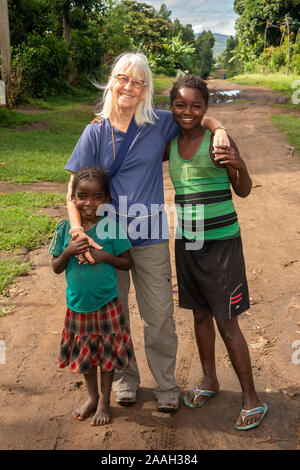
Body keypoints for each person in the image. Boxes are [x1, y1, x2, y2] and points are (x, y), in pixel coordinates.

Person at [64, 52, 230, 412]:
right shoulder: (95, 131)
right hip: (106, 240)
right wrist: (78, 233)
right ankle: (125, 381)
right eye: (123, 78)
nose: (129, 86)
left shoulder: (158, 123)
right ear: (112, 81)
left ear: (145, 89)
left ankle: (167, 385)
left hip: (151, 234)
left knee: (159, 317)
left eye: (138, 82)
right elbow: (72, 192)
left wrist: (219, 129)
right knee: (116, 314)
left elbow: (195, 116)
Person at [165, 75, 268, 430]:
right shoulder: (172, 144)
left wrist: (237, 164)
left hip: (222, 244)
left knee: (227, 323)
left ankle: (252, 398)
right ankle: (209, 379)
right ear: (172, 108)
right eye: (181, 105)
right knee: (199, 315)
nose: (188, 112)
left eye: (196, 106)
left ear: (206, 108)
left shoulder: (217, 140)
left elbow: (244, 190)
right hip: (188, 241)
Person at [48, 166, 135, 426]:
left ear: (107, 199)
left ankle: (106, 401)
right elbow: (55, 266)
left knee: (107, 357)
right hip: (78, 306)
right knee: (86, 358)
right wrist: (68, 251)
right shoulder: (65, 230)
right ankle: (92, 397)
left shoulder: (111, 227)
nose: (89, 203)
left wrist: (105, 256)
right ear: (72, 199)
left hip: (107, 304)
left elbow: (127, 262)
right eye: (82, 196)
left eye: (97, 196)